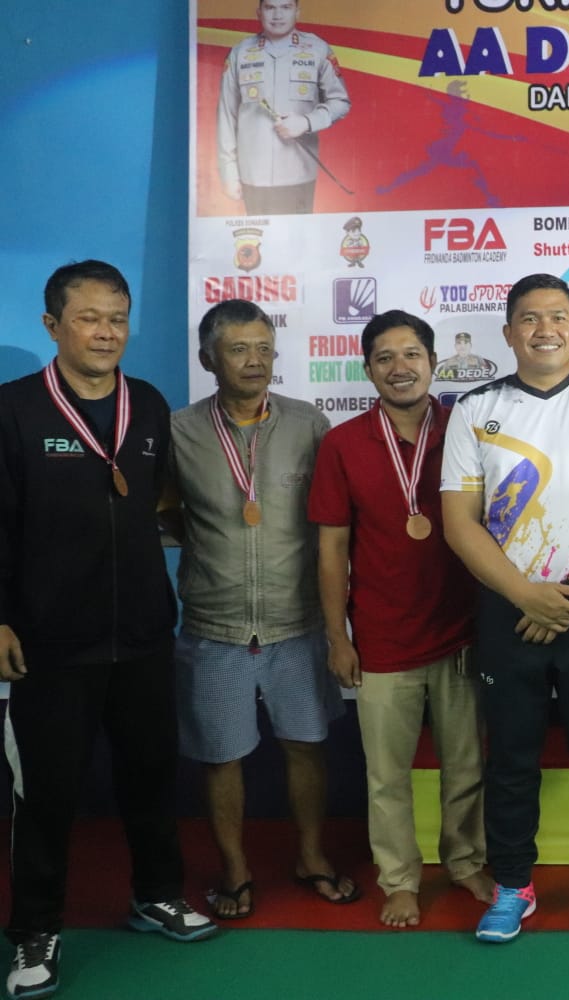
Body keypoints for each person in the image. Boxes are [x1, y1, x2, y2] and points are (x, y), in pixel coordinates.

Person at [1, 261, 217, 1000]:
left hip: (144, 635)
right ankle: (34, 928)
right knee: (47, 793)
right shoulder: (14, 409)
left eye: (117, 318)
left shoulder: (147, 405)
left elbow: (156, 506)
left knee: (151, 776)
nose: (105, 333)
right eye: (89, 318)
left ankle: (157, 895)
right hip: (49, 642)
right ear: (52, 325)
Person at [441, 274, 569, 943]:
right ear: (509, 333)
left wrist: (567, 597)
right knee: (510, 757)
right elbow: (459, 522)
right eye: (529, 319)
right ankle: (513, 885)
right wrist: (525, 594)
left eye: (558, 316)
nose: (545, 330)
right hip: (508, 609)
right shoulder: (475, 409)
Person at [167, 298, 358, 922]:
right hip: (214, 626)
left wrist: (337, 626)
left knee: (308, 745)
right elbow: (163, 512)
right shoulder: (179, 431)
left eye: (264, 348)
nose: (255, 361)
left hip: (297, 624)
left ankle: (311, 856)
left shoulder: (310, 424)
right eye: (238, 349)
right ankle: (235, 869)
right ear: (208, 359)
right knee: (220, 755)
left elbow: (334, 524)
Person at [308, 309, 489, 928]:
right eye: (384, 357)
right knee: (387, 776)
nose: (400, 367)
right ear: (368, 370)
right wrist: (338, 637)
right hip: (381, 639)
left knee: (466, 767)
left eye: (412, 354)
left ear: (433, 363)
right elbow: (331, 548)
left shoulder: (467, 430)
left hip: (462, 632)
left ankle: (465, 862)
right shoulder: (343, 444)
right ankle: (400, 879)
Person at [217, 0, 351, 214]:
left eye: (286, 7)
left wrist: (307, 122)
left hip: (298, 172)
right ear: (259, 12)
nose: (277, 15)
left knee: (298, 234)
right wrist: (228, 172)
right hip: (253, 174)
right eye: (270, 7)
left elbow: (340, 102)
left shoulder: (317, 49)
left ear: (297, 12)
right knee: (258, 234)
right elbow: (226, 115)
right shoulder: (240, 53)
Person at [434, 332, 499, 383]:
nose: (462, 346)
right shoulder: (449, 362)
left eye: (465, 343)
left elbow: (486, 376)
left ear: (470, 345)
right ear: (455, 346)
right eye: (459, 343)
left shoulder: (478, 359)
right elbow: (444, 380)